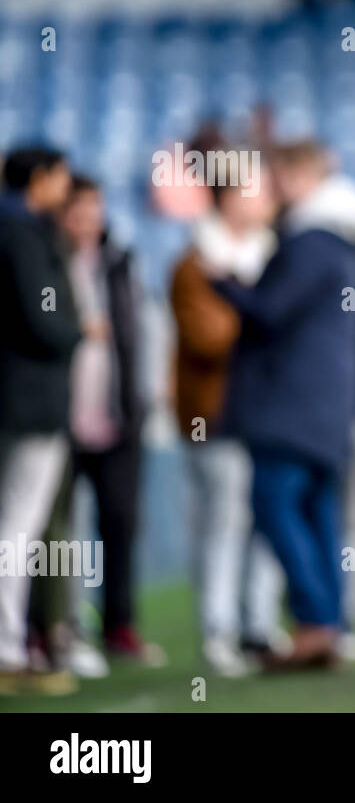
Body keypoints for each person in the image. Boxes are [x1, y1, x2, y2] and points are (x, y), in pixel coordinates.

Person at [212, 140, 355, 669]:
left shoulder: (310, 241)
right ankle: (330, 624)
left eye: (279, 174)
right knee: (318, 513)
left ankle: (316, 621)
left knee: (275, 504)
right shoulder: (347, 245)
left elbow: (269, 311)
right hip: (328, 407)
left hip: (290, 406)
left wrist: (223, 282)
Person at [31, 175, 162, 671]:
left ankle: (120, 625)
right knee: (59, 533)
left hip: (117, 414)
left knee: (120, 524)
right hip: (60, 419)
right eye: (76, 211)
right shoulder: (45, 262)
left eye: (94, 210)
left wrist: (142, 401)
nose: (87, 221)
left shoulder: (121, 263)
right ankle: (59, 629)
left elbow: (144, 332)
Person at [171, 166, 284, 677]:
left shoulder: (274, 255)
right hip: (215, 416)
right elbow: (208, 339)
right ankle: (218, 630)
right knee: (224, 524)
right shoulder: (195, 264)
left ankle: (259, 625)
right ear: (229, 198)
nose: (266, 197)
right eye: (254, 188)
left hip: (268, 413)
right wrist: (267, 319)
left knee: (267, 520)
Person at [0, 146, 78, 696]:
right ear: (41, 178)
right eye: (60, 177)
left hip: (17, 399)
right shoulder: (22, 232)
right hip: (28, 402)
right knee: (16, 529)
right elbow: (45, 317)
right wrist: (78, 329)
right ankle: (6, 650)